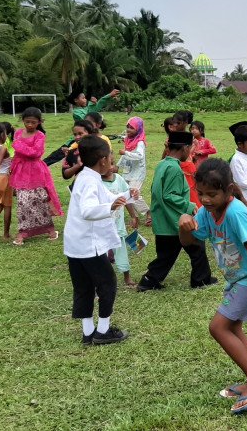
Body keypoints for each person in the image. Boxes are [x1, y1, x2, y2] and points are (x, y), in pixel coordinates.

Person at [177, 159, 247, 414]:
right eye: (200, 194)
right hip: (238, 277)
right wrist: (184, 224)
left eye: (212, 194)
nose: (206, 199)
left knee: (218, 327)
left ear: (229, 190)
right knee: (233, 327)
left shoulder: (235, 213)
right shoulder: (206, 213)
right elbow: (189, 242)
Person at [63, 135, 129, 345]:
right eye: (111, 157)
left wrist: (127, 195)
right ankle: (103, 330)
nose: (112, 161)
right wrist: (110, 207)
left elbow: (108, 197)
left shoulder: (86, 176)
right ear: (103, 160)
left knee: (83, 287)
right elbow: (88, 210)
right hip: (88, 246)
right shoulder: (90, 181)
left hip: (75, 244)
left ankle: (88, 331)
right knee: (107, 283)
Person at [137, 130, 217, 291]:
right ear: (185, 148)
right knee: (196, 246)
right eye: (190, 148)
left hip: (164, 220)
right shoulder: (174, 168)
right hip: (173, 220)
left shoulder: (163, 164)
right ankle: (200, 280)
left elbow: (156, 191)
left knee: (167, 256)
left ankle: (149, 281)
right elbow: (169, 195)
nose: (191, 152)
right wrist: (189, 206)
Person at [9, 107, 63, 245]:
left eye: (33, 122)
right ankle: (23, 232)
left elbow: (35, 153)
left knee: (40, 199)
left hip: (36, 171)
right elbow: (18, 153)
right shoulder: (19, 133)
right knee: (22, 201)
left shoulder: (40, 136)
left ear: (39, 122)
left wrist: (17, 145)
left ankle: (50, 229)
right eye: (27, 122)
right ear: (23, 121)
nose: (30, 125)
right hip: (20, 171)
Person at [42, 88, 121, 166]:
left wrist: (109, 96)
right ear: (76, 100)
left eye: (85, 98)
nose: (85, 100)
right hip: (76, 139)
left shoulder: (88, 108)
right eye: (83, 98)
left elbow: (99, 105)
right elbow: (87, 119)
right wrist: (92, 104)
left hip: (86, 138)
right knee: (56, 156)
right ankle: (41, 165)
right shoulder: (76, 112)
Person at [101, 167, 140, 288]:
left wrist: (134, 216)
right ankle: (103, 280)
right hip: (102, 228)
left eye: (112, 162)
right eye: (108, 162)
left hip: (118, 226)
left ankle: (127, 276)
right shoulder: (97, 183)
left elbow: (127, 199)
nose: (111, 166)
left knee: (121, 251)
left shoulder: (119, 179)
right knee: (102, 255)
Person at [117, 116, 149, 217]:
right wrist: (118, 166)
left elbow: (139, 156)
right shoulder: (128, 140)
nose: (128, 129)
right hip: (128, 170)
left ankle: (148, 212)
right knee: (126, 192)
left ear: (138, 129)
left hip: (138, 172)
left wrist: (125, 153)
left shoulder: (140, 143)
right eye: (127, 126)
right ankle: (134, 215)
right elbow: (125, 156)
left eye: (131, 127)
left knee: (134, 193)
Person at [62, 120, 96, 188]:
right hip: (80, 188)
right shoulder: (72, 153)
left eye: (80, 134)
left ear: (90, 134)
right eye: (75, 134)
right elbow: (65, 175)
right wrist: (77, 165)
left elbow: (112, 169)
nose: (77, 137)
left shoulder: (99, 150)